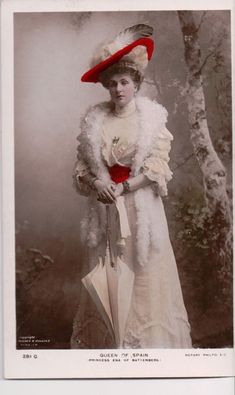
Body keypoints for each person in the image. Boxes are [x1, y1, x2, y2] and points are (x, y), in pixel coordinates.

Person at [71, 24, 192, 349]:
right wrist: (99, 182)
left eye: (124, 82)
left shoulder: (150, 119)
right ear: (106, 87)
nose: (118, 90)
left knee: (146, 275)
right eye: (112, 84)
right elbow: (80, 172)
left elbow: (156, 167)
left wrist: (125, 187)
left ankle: (150, 351)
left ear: (136, 83)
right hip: (107, 213)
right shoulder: (94, 120)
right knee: (110, 279)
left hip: (142, 214)